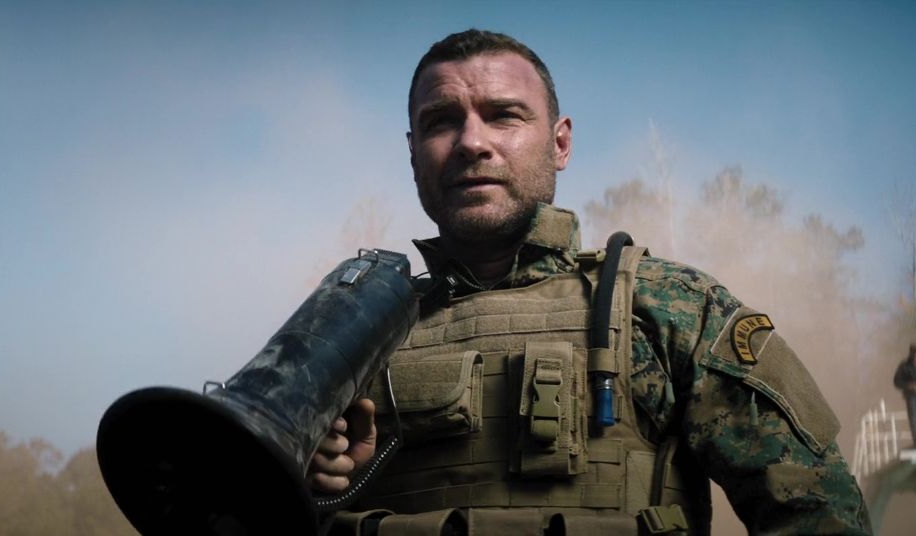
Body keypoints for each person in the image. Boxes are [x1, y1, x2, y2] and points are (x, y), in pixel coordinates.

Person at [307, 29, 871, 535]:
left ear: (560, 144)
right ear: (413, 154)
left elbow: (816, 512)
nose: (471, 141)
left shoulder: (668, 307)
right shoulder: (346, 338)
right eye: (441, 121)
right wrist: (315, 486)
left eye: (503, 115)